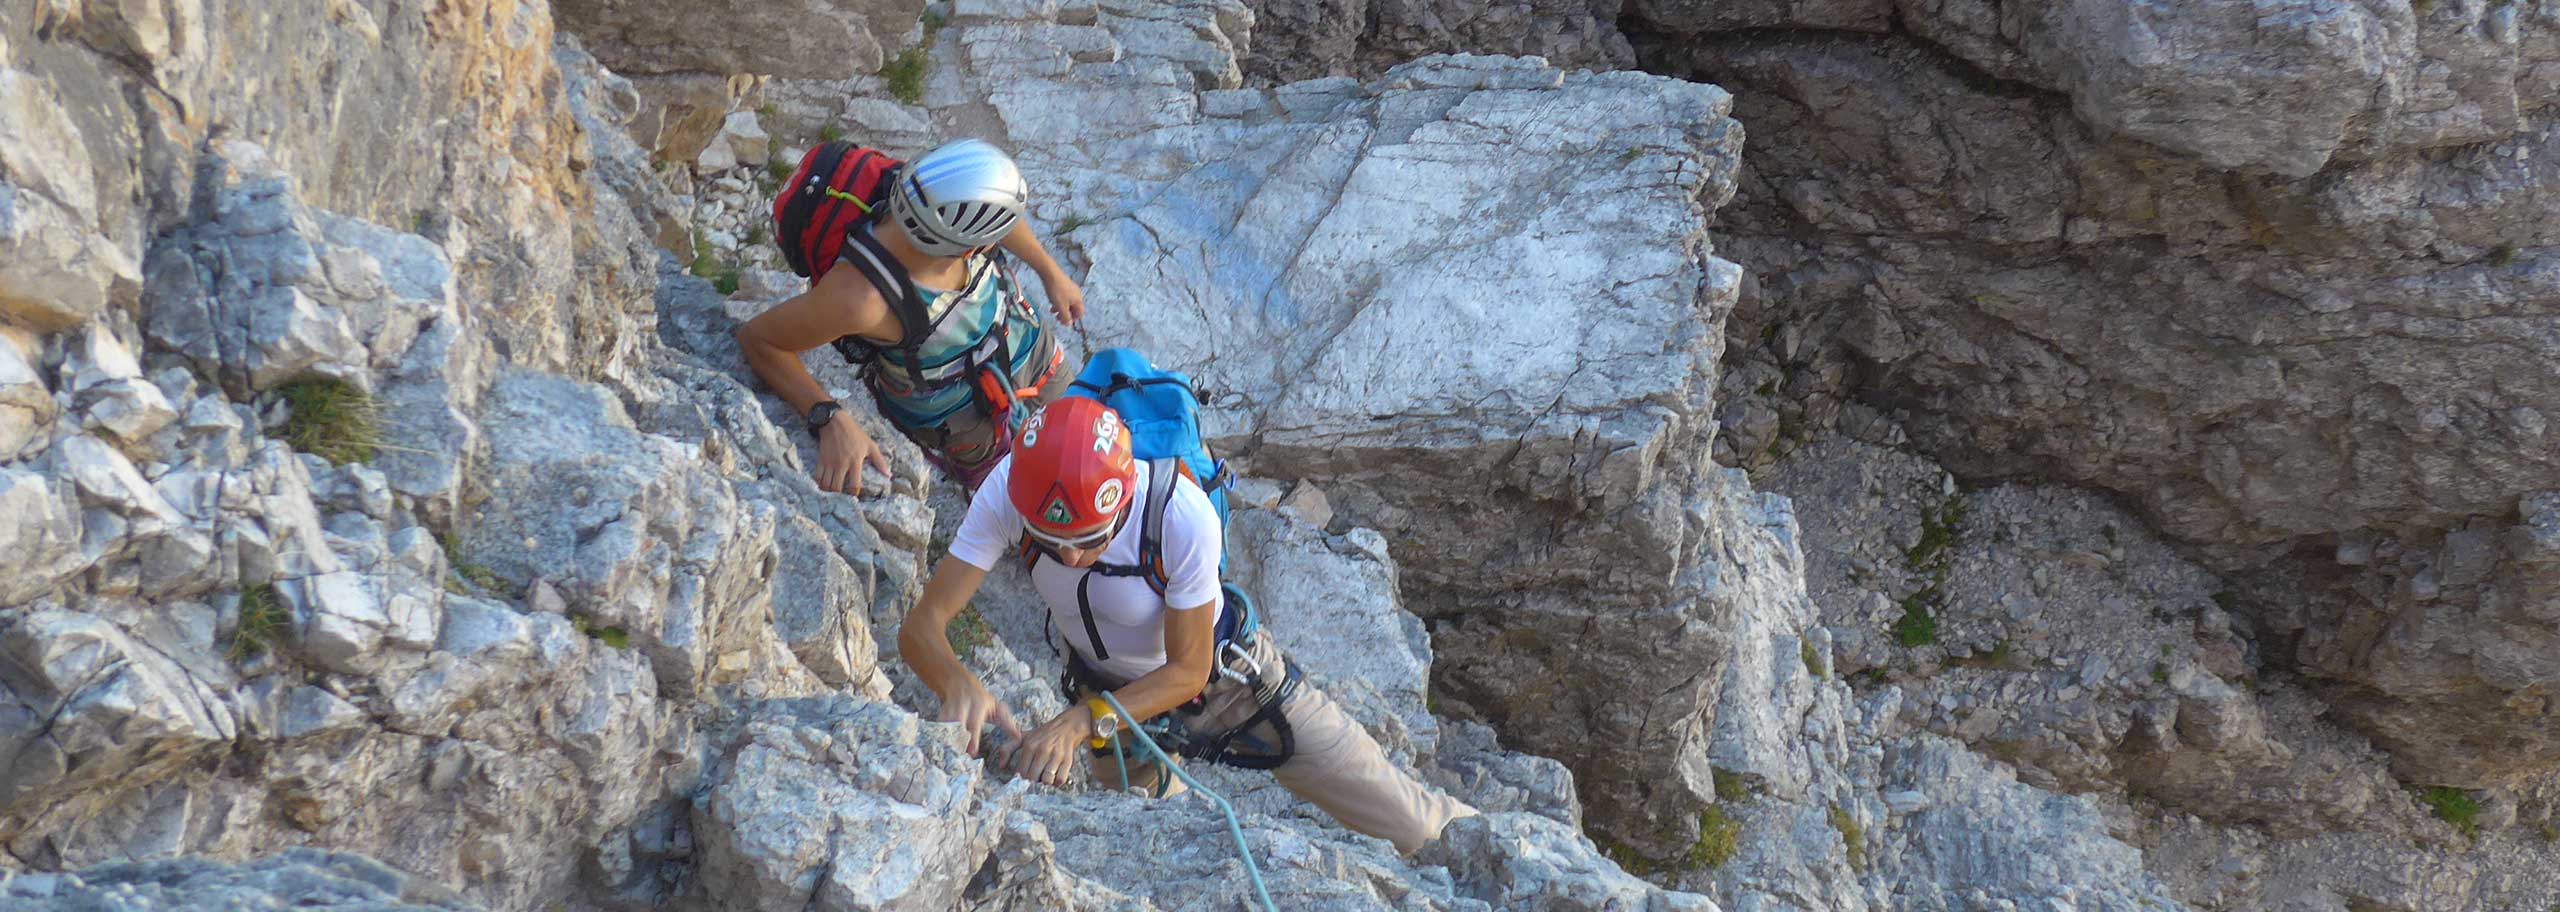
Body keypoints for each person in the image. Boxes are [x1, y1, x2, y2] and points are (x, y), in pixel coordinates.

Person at [896, 397, 1479, 855]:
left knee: (1411, 823)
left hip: (1232, 689)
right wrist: (954, 679)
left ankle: (1509, 852)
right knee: (1149, 838)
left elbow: (1188, 670)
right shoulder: (1009, 491)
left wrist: (1078, 723)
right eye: (1054, 544)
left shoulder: (1179, 514)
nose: (1072, 559)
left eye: (1092, 541)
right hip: (1111, 701)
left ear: (1121, 502)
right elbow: (920, 629)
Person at [736, 138, 1085, 496]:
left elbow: (997, 213)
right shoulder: (861, 299)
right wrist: (827, 417)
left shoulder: (929, 195)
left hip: (1026, 345)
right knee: (1025, 495)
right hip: (966, 419)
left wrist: (1051, 273)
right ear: (971, 248)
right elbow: (759, 340)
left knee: (1083, 436)